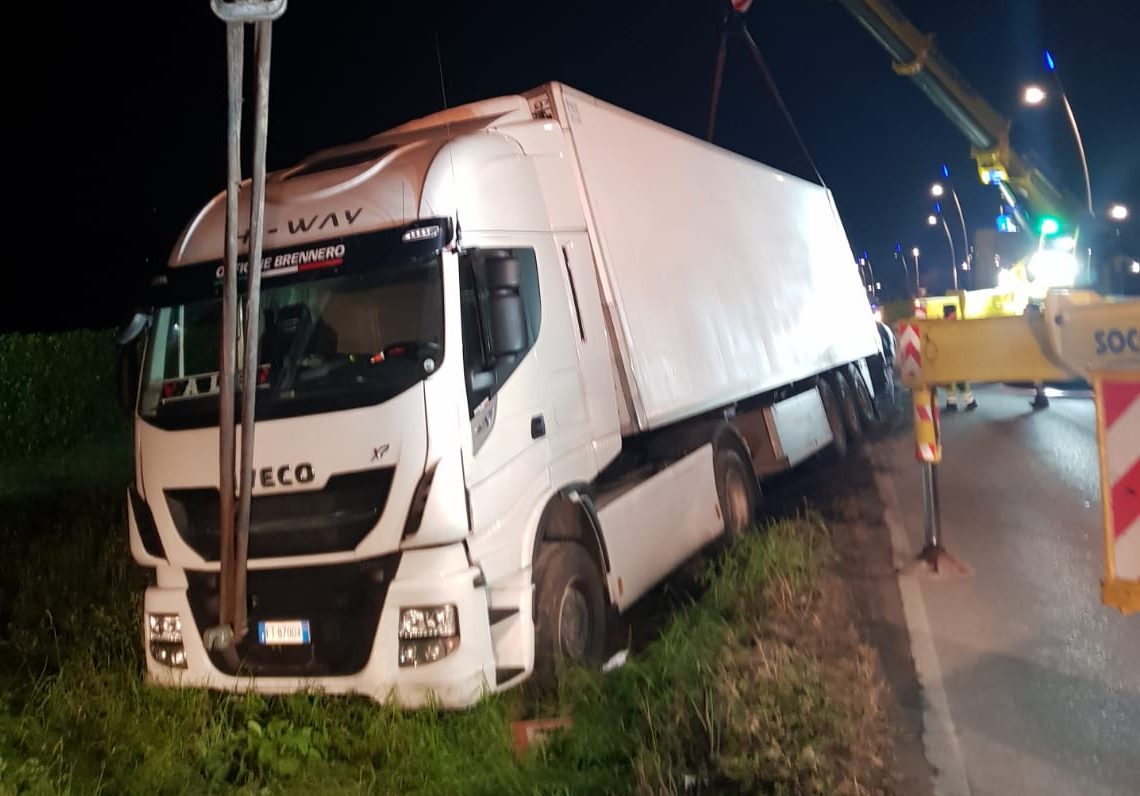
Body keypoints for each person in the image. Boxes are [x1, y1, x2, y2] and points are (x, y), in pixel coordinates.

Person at [941, 304, 977, 412]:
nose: (956, 315)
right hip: (955, 357)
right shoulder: (952, 325)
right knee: (957, 381)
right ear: (951, 314)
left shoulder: (943, 326)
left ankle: (956, 403)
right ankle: (968, 402)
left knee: (954, 381)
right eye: (954, 313)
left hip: (953, 358)